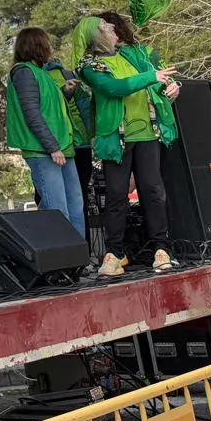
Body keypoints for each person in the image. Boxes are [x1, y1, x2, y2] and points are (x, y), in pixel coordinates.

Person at [71, 16, 181, 277]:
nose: (113, 29)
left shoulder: (133, 55)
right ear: (96, 35)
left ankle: (161, 248)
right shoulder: (89, 65)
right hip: (115, 138)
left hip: (147, 134)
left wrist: (173, 87)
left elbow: (159, 80)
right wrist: (151, 76)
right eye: (106, 27)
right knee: (116, 195)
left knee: (153, 191)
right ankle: (114, 252)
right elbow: (113, 88)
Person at [6, 28, 86, 237]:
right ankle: (61, 253)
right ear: (37, 46)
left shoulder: (41, 72)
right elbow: (32, 113)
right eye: (47, 42)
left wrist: (65, 92)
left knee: (75, 205)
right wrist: (52, 147)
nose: (50, 47)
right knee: (57, 209)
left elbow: (47, 107)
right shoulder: (23, 72)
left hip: (62, 147)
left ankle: (79, 252)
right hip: (44, 150)